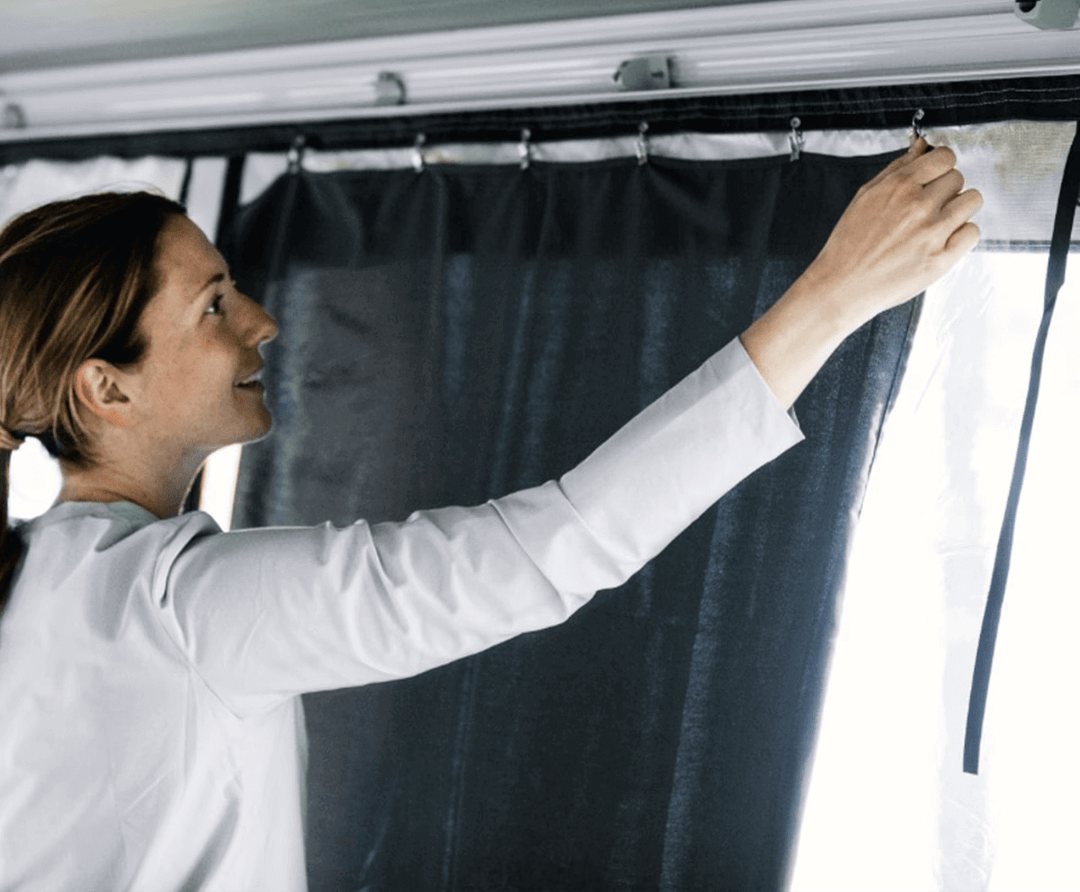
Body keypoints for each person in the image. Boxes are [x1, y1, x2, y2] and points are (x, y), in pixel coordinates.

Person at [0, 138, 981, 891]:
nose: (261, 320)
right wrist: (835, 291)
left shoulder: (34, 583)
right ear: (106, 390)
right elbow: (552, 549)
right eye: (214, 305)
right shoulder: (185, 606)